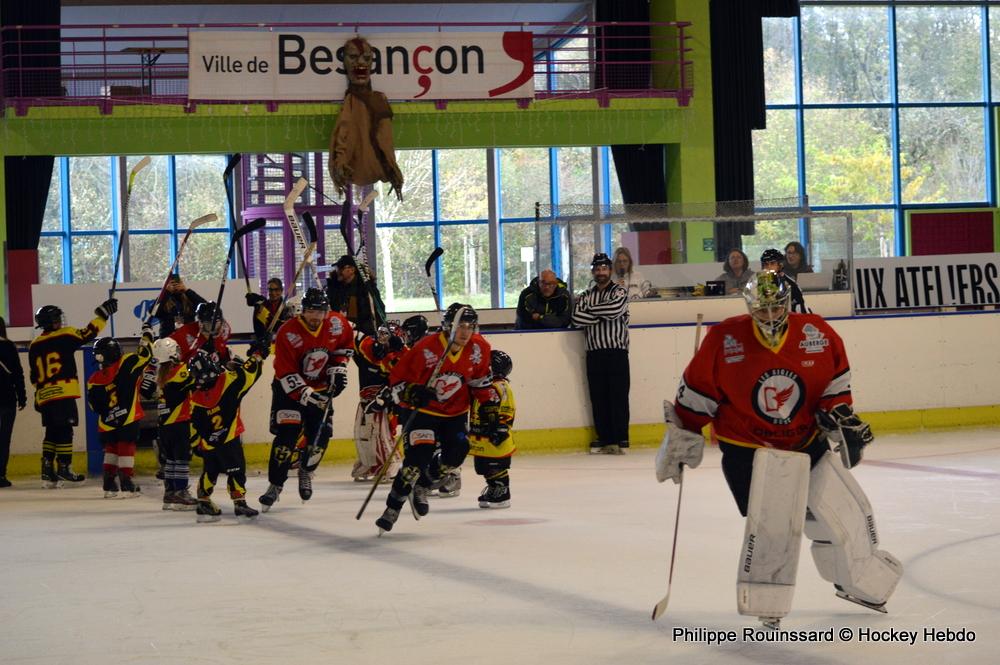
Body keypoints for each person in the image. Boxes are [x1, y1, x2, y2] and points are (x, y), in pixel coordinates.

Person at [656, 270, 902, 629]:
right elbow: (695, 398)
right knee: (775, 530)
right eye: (762, 310)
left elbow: (834, 388)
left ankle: (862, 582)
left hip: (807, 444)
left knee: (850, 512)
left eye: (776, 308)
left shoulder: (816, 333)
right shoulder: (725, 339)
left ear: (788, 303)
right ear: (749, 306)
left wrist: (839, 416)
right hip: (750, 453)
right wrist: (680, 439)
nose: (770, 317)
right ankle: (766, 600)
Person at [374, 303, 496, 534]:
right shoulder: (426, 349)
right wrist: (411, 392)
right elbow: (397, 382)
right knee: (416, 460)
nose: (465, 332)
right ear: (447, 326)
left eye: (470, 326)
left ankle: (423, 484)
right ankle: (393, 506)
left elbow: (479, 381)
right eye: (460, 326)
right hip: (423, 413)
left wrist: (488, 405)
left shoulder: (479, 348)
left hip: (455, 414)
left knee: (457, 454)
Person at [259, 288, 354, 511]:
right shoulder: (287, 332)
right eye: (310, 311)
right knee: (286, 438)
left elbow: (344, 347)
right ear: (302, 311)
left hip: (320, 389)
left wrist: (337, 368)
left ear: (326, 312)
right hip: (289, 393)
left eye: (319, 312)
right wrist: (307, 395)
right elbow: (284, 371)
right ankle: (275, 484)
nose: (315, 317)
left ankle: (306, 471)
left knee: (320, 440)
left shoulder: (337, 323)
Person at [29, 297, 117, 487]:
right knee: (65, 431)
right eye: (56, 319)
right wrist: (103, 315)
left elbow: (33, 376)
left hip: (44, 395)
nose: (60, 321)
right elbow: (88, 333)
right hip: (63, 392)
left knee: (51, 431)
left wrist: (38, 396)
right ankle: (64, 468)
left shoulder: (34, 345)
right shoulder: (65, 335)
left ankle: (47, 469)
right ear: (51, 322)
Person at [188, 340, 269, 523]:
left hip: (209, 443)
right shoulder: (228, 381)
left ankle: (203, 501)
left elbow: (193, 426)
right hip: (229, 439)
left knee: (210, 471)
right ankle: (239, 502)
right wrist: (257, 354)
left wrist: (195, 444)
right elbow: (250, 372)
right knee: (236, 471)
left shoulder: (194, 399)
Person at [572, 253, 631, 455]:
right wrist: (601, 316)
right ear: (593, 271)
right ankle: (604, 438)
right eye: (597, 269)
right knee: (598, 396)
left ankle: (621, 438)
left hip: (617, 351)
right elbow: (577, 317)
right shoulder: (586, 294)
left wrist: (592, 312)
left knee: (618, 396)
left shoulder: (620, 291)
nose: (600, 272)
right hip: (594, 352)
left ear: (610, 270)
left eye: (604, 268)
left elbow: (615, 310)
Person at [86, 329, 154, 498]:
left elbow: (94, 407)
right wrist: (147, 335)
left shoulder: (93, 379)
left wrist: (110, 412)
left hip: (107, 422)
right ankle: (126, 482)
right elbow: (146, 355)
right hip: (128, 418)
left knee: (111, 449)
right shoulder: (128, 362)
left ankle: (109, 483)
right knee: (126, 446)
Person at [350, 320, 407, 482]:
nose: (382, 338)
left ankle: (393, 462)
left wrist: (383, 398)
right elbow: (354, 334)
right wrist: (375, 348)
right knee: (362, 431)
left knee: (382, 433)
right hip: (365, 398)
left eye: (387, 335)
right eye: (380, 334)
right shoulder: (368, 346)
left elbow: (404, 379)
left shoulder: (399, 356)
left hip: (386, 402)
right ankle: (370, 462)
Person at [145, 337, 198, 510]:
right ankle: (181, 492)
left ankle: (170, 493)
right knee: (181, 458)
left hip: (164, 426)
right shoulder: (180, 372)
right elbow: (195, 381)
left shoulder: (160, 374)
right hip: (179, 422)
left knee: (171, 461)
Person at [468, 350, 516, 508]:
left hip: (494, 436)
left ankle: (502, 492)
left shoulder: (501, 386)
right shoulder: (484, 386)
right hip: (482, 435)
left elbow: (507, 410)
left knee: (495, 464)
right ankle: (494, 488)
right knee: (483, 465)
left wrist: (500, 428)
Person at [326, 254, 385, 337]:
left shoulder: (367, 289)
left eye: (341, 268)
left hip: (364, 335)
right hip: (340, 334)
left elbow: (379, 313)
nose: (337, 271)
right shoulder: (334, 288)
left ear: (352, 270)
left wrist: (361, 332)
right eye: (337, 268)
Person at [0, 316, 27, 487]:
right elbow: (18, 373)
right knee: (4, 438)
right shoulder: (9, 347)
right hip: (8, 399)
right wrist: (22, 396)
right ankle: (1, 474)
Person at [761, 248, 808, 314]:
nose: (769, 267)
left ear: (780, 265)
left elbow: (800, 311)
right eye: (766, 264)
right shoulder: (761, 283)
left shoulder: (790, 284)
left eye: (772, 263)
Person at [246, 277, 292, 343]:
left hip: (281, 344)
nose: (273, 293)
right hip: (263, 346)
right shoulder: (262, 306)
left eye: (276, 290)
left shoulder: (287, 308)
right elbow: (258, 329)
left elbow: (285, 328)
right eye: (271, 290)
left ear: (281, 290)